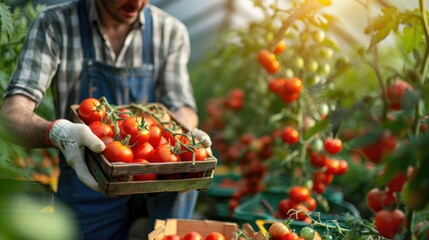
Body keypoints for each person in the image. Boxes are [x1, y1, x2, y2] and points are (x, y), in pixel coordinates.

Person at [0, 0, 212, 239]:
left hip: (159, 180)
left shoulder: (170, 31)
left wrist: (182, 131)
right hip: (88, 184)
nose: (137, 2)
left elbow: (181, 105)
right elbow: (11, 115)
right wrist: (58, 133)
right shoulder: (55, 24)